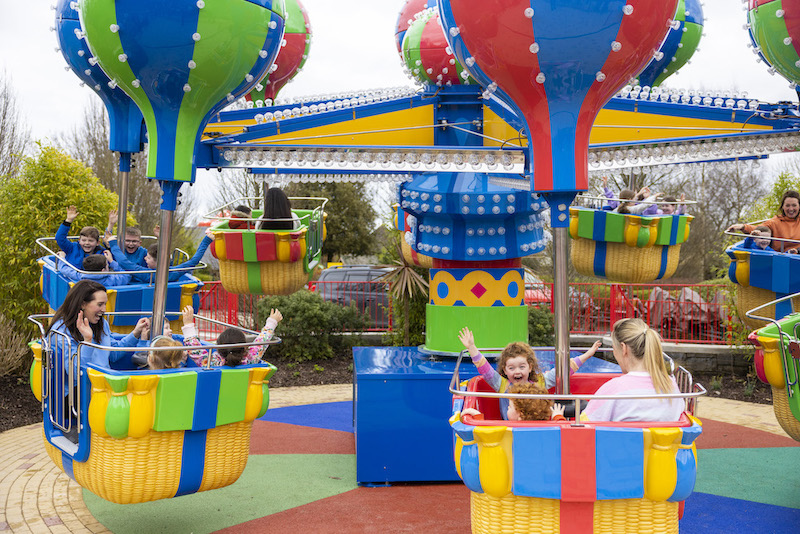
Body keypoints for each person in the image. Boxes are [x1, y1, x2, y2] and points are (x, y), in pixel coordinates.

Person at [457, 327, 601, 420]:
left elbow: (564, 371)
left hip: (536, 428)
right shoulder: (503, 385)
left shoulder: (540, 382)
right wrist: (471, 347)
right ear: (505, 371)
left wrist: (587, 355)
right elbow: (485, 369)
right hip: (510, 429)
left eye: (522, 366)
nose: (517, 371)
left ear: (530, 367)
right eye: (511, 368)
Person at [582, 318, 684, 422]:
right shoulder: (672, 386)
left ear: (623, 348)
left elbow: (585, 425)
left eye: (614, 349)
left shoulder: (613, 389)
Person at [45, 280, 150, 373]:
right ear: (82, 304)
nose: (104, 309)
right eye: (100, 304)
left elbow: (113, 354)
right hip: (81, 390)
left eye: (105, 304)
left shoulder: (101, 323)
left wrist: (136, 333)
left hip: (104, 384)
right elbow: (75, 372)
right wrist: (87, 341)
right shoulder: (61, 332)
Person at [182, 306, 283, 366]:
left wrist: (188, 324)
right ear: (244, 347)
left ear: (219, 346)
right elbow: (262, 342)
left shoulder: (212, 363)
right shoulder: (251, 359)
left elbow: (195, 350)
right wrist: (272, 322)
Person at [108, 229, 214, 283]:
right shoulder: (172, 272)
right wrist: (206, 240)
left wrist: (113, 243)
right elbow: (194, 261)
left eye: (148, 258)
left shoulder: (148, 274)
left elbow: (124, 263)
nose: (145, 258)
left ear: (157, 262)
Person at [727, 190, 800, 253]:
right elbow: (759, 229)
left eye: (794, 205)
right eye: (787, 205)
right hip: (778, 258)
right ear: (783, 207)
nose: (791, 209)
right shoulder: (775, 222)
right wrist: (743, 227)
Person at [57, 250, 131, 287]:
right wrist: (111, 261)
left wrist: (62, 257)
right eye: (107, 265)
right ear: (103, 270)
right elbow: (127, 276)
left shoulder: (80, 276)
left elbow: (64, 268)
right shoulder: (110, 279)